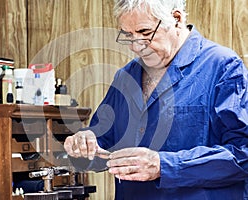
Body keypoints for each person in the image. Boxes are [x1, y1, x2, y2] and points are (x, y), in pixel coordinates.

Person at [64, 0, 248, 199]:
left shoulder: (223, 67)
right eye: (128, 35)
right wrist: (84, 143)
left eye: (145, 32)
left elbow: (242, 154)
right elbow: (103, 142)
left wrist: (163, 166)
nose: (136, 46)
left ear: (176, 19)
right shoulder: (125, 77)